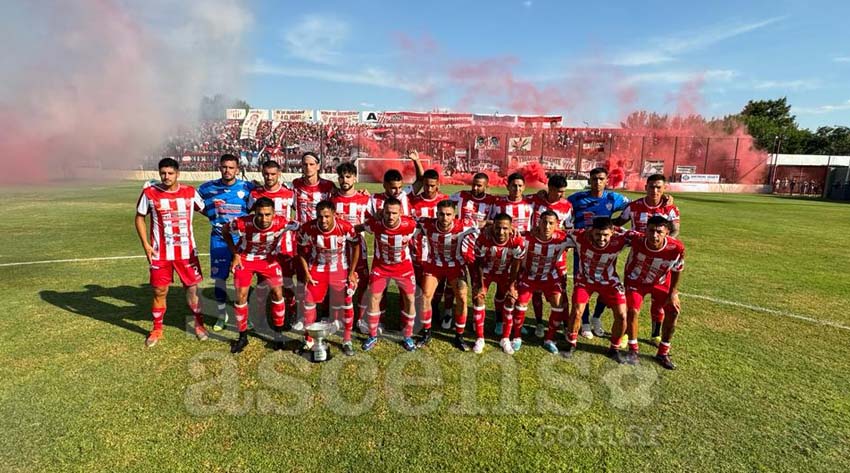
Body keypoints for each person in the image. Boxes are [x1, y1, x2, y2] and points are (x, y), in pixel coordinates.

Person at [135, 158, 207, 347]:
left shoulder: (190, 193)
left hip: (187, 252)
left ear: (178, 174)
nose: (166, 177)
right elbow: (140, 218)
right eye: (163, 173)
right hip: (161, 254)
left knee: (192, 289)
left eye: (170, 173)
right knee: (160, 291)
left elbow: (206, 210)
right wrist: (146, 245)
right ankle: (157, 329)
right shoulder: (150, 193)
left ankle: (199, 324)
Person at [221, 197, 293, 353]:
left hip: (268, 260)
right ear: (254, 213)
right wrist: (235, 254)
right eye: (260, 214)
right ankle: (242, 337)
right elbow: (224, 230)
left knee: (277, 292)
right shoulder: (242, 222)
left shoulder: (282, 222)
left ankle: (278, 335)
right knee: (241, 295)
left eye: (268, 214)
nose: (264, 218)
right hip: (245, 259)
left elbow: (304, 227)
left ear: (274, 213)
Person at [567, 167, 630, 339]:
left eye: (601, 178)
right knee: (582, 283)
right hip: (583, 247)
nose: (597, 182)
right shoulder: (577, 198)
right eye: (594, 179)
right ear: (589, 180)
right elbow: (560, 204)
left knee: (605, 281)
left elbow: (632, 208)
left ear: (607, 180)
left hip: (605, 248)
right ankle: (585, 322)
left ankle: (596, 318)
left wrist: (616, 223)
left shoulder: (613, 198)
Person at [561, 217, 631, 364]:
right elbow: (561, 232)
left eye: (605, 235)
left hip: (609, 282)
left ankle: (614, 349)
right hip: (585, 281)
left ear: (612, 232)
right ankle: (571, 344)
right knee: (577, 310)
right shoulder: (580, 236)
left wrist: (618, 229)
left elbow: (639, 237)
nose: (601, 238)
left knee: (622, 315)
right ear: (591, 232)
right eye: (598, 234)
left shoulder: (621, 240)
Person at [296, 200, 361, 356]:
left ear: (334, 215)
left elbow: (356, 245)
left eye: (327, 216)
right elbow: (300, 249)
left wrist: (352, 272)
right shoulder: (308, 228)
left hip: (339, 269)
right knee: (309, 301)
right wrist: (306, 272)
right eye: (320, 216)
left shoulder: (345, 227)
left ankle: (346, 340)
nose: (323, 220)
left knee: (346, 301)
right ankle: (309, 339)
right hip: (317, 268)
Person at [198, 154, 255, 332]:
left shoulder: (247, 188)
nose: (227, 170)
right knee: (220, 280)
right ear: (219, 167)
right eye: (224, 167)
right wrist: (212, 216)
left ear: (237, 169)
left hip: (242, 241)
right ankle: (222, 315)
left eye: (231, 167)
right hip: (219, 240)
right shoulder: (207, 188)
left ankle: (248, 316)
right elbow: (194, 203)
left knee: (243, 281)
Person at [356, 198, 420, 352]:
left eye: (394, 213)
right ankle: (372, 335)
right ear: (382, 212)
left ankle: (408, 336)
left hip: (403, 267)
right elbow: (357, 228)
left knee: (410, 299)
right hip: (381, 267)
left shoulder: (409, 224)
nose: (390, 217)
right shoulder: (375, 224)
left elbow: (425, 228)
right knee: (374, 298)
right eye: (387, 213)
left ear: (400, 213)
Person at [415, 200, 480, 352]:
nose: (444, 218)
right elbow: (406, 220)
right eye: (441, 214)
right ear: (436, 214)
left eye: (448, 215)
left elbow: (486, 225)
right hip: (434, 265)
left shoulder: (464, 226)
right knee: (425, 296)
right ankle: (426, 332)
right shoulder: (426, 223)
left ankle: (459, 336)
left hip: (455, 266)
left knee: (462, 299)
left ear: (454, 215)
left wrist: (511, 229)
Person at [623, 216, 685, 369]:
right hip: (635, 281)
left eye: (659, 232)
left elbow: (677, 270)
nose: (654, 235)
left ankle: (663, 352)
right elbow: (613, 231)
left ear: (667, 233)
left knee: (673, 311)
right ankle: (633, 351)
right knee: (632, 311)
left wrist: (673, 293)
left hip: (661, 282)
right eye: (651, 231)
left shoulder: (676, 248)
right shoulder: (636, 239)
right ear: (645, 230)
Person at [510, 211, 570, 354]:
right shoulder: (526, 237)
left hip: (550, 276)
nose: (547, 226)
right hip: (529, 275)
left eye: (551, 223)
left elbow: (585, 235)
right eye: (544, 222)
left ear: (557, 225)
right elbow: (509, 233)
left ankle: (549, 339)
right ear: (538, 223)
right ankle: (517, 337)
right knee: (521, 303)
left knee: (558, 303)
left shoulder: (563, 238)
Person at [248, 160, 298, 328]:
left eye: (272, 174)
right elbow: (248, 216)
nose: (269, 177)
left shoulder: (289, 194)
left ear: (279, 174)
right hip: (263, 249)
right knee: (263, 285)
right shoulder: (255, 195)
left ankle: (290, 313)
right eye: (266, 174)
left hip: (285, 247)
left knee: (288, 283)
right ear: (262, 174)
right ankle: (261, 316)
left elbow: (299, 213)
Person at [471, 213, 526, 354]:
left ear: (511, 228)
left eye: (504, 228)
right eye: (498, 228)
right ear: (492, 226)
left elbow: (516, 264)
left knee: (510, 298)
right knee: (478, 297)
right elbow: (479, 263)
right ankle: (480, 338)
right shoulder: (483, 239)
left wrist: (512, 286)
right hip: (487, 271)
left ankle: (505, 338)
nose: (501, 232)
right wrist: (481, 285)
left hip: (506, 272)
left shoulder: (517, 241)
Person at [529, 174, 573, 338]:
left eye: (563, 191)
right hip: (535, 251)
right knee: (536, 290)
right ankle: (539, 323)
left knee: (561, 290)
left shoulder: (567, 206)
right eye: (557, 191)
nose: (560, 194)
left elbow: (569, 229)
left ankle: (566, 324)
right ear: (549, 188)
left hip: (556, 254)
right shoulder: (535, 200)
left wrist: (559, 238)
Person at [330, 162, 372, 335]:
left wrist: (357, 229)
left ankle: (361, 319)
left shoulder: (365, 199)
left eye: (348, 176)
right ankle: (338, 318)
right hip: (337, 249)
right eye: (341, 177)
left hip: (358, 248)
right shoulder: (332, 199)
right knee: (337, 284)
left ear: (355, 178)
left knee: (362, 283)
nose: (344, 180)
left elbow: (372, 221)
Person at [615, 174, 680, 236]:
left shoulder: (670, 208)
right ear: (646, 187)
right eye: (652, 187)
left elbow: (675, 230)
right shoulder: (633, 206)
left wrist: (663, 243)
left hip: (659, 246)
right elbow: (618, 222)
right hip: (638, 246)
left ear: (664, 188)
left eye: (658, 187)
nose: (655, 191)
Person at [291, 152, 336, 224]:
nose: (308, 167)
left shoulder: (328, 186)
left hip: (320, 230)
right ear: (302, 166)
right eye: (305, 164)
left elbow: (341, 197)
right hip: (301, 231)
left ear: (318, 166)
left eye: (311, 164)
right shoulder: (296, 184)